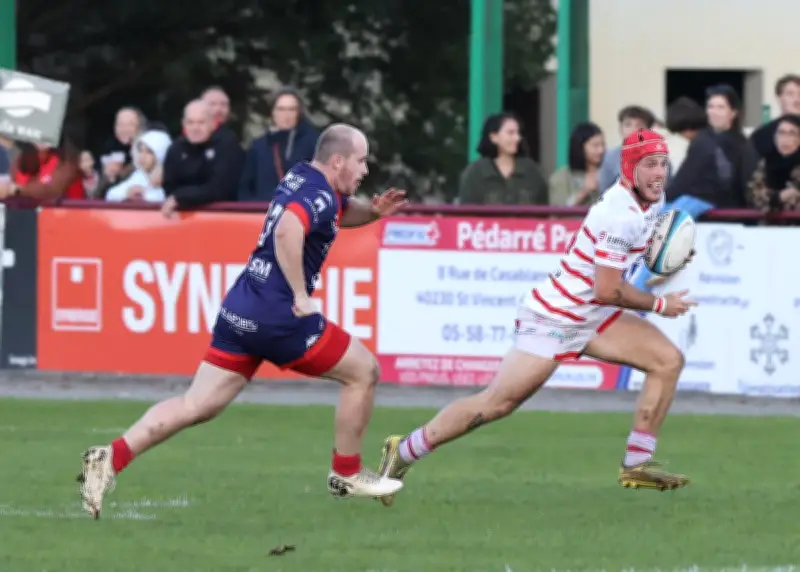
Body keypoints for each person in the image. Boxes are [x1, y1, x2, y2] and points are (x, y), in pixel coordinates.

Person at [77, 123, 408, 519]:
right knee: (364, 371)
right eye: (361, 160)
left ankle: (109, 458)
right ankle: (346, 473)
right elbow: (288, 230)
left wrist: (372, 212)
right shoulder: (320, 194)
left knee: (197, 404)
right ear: (338, 161)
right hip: (278, 316)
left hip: (243, 305)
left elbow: (334, 211)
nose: (366, 169)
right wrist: (300, 295)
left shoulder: (303, 176)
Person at [377, 129, 697, 508]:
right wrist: (659, 305)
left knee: (667, 361)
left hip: (593, 316)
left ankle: (637, 464)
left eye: (663, 164)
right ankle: (403, 450)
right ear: (629, 167)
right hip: (556, 317)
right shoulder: (618, 214)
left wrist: (669, 256)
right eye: (650, 164)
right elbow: (607, 289)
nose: (659, 173)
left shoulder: (653, 199)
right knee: (495, 404)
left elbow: (633, 259)